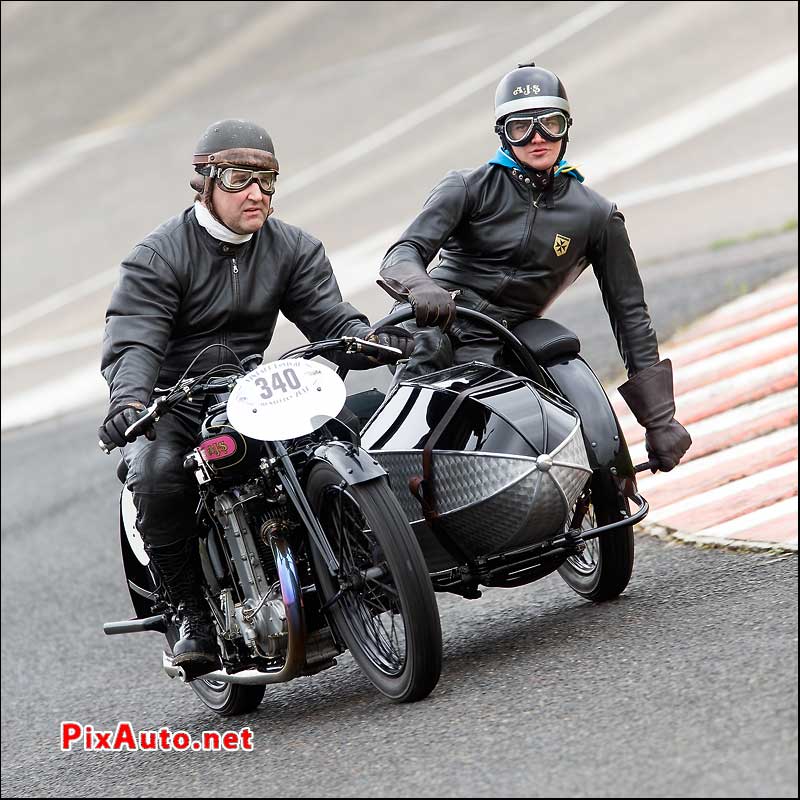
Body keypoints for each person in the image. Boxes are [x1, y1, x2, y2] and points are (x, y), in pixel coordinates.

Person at [99, 119, 411, 675]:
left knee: (344, 425)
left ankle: (370, 552)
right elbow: (134, 339)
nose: (257, 194)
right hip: (177, 400)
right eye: (242, 179)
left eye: (268, 181)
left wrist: (368, 338)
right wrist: (130, 402)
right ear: (206, 182)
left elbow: (329, 318)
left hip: (254, 386)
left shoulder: (292, 247)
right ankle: (188, 614)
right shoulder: (157, 257)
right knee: (155, 471)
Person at [379, 62, 691, 473]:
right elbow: (401, 254)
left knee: (558, 423)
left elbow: (630, 313)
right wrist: (421, 287)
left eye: (550, 123)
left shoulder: (597, 215)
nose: (538, 137)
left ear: (567, 126)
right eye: (520, 127)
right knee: (428, 354)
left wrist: (659, 419)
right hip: (436, 319)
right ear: (502, 134)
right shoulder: (466, 186)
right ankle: (394, 477)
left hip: (505, 340)